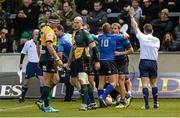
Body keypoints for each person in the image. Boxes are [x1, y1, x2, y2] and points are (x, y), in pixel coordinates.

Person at [129, 7, 160, 109]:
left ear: (144, 30)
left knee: (145, 84)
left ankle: (146, 104)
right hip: (153, 62)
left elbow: (135, 26)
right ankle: (155, 103)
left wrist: (132, 16)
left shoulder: (142, 37)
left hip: (144, 62)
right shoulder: (157, 40)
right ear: (152, 30)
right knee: (154, 84)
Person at [68, 16, 100, 111]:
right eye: (74, 22)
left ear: (82, 24)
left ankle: (84, 104)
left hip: (84, 59)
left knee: (82, 81)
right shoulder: (74, 33)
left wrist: (97, 61)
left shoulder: (85, 33)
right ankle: (93, 103)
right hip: (77, 60)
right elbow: (73, 48)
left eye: (77, 22)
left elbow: (94, 48)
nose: (75, 24)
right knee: (83, 81)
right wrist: (70, 61)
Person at [36, 15, 62, 112]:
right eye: (57, 22)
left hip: (44, 57)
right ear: (52, 22)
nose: (58, 24)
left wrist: (39, 58)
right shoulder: (50, 31)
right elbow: (49, 46)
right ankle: (42, 101)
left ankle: (45, 102)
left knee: (56, 79)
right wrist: (57, 58)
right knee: (47, 81)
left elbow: (38, 44)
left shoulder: (43, 29)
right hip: (49, 58)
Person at [97, 23, 127, 108]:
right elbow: (126, 36)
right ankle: (102, 97)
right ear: (110, 29)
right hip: (110, 61)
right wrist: (122, 31)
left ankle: (101, 103)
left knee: (101, 82)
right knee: (114, 83)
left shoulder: (99, 37)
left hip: (101, 61)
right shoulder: (114, 36)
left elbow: (93, 37)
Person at [111, 23, 134, 108]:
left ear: (119, 30)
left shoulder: (124, 39)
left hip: (122, 61)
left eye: (115, 28)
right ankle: (127, 95)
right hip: (112, 62)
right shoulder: (110, 38)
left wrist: (120, 53)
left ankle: (122, 101)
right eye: (112, 28)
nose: (113, 30)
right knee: (113, 83)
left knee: (121, 81)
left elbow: (131, 50)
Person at [18, 29, 43, 103]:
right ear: (33, 35)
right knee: (26, 82)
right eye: (35, 34)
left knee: (42, 81)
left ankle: (42, 98)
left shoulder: (42, 43)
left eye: (38, 34)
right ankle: (22, 96)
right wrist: (21, 63)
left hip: (39, 64)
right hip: (31, 64)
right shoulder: (28, 43)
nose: (37, 35)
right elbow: (23, 53)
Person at [56, 25, 74, 102]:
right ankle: (68, 98)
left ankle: (68, 98)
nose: (54, 33)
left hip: (72, 62)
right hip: (80, 59)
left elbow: (59, 55)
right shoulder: (69, 35)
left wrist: (60, 64)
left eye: (56, 31)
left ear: (61, 30)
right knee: (71, 80)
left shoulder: (61, 41)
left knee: (71, 80)